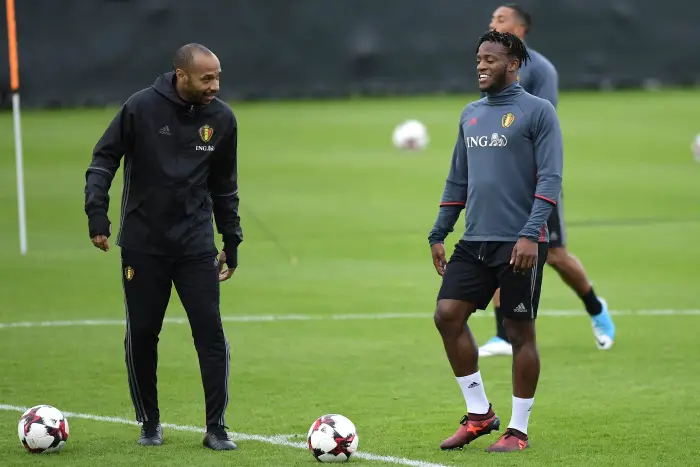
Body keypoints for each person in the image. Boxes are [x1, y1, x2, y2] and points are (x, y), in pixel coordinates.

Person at [84, 43, 242, 451]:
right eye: (207, 78)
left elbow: (225, 187)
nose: (215, 85)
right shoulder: (140, 108)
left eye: (218, 76)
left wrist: (232, 240)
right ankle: (149, 422)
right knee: (141, 333)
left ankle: (217, 427)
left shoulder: (222, 119)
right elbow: (103, 159)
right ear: (181, 75)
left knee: (210, 332)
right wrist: (96, 214)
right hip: (143, 243)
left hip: (195, 244)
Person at [428, 31, 563, 452]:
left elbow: (550, 178)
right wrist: (439, 230)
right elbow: (458, 179)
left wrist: (530, 235)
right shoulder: (470, 114)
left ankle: (518, 431)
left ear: (513, 64)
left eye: (490, 59)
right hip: (476, 238)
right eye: (478, 59)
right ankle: (480, 415)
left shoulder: (538, 112)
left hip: (520, 243)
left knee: (520, 333)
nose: (481, 66)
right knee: (447, 315)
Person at [478, 3, 616, 358]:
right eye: (493, 18)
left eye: (501, 19)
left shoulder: (540, 70)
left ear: (520, 30)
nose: (494, 23)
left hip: (536, 179)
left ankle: (595, 308)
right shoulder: (490, 66)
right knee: (498, 249)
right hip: (500, 178)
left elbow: (539, 125)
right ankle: (502, 336)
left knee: (554, 256)